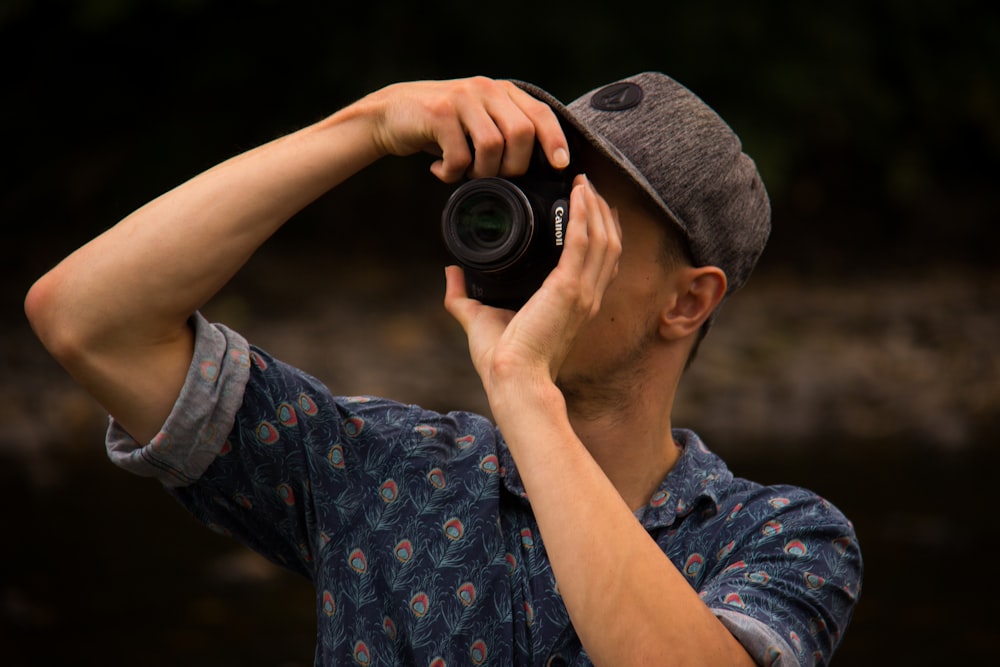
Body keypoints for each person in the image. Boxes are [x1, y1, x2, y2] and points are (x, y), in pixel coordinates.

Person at [25, 72, 862, 666]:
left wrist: (524, 387)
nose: (544, 244)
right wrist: (370, 123)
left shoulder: (782, 536)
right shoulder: (381, 469)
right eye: (541, 197)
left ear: (687, 302)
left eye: (585, 222)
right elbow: (88, 322)